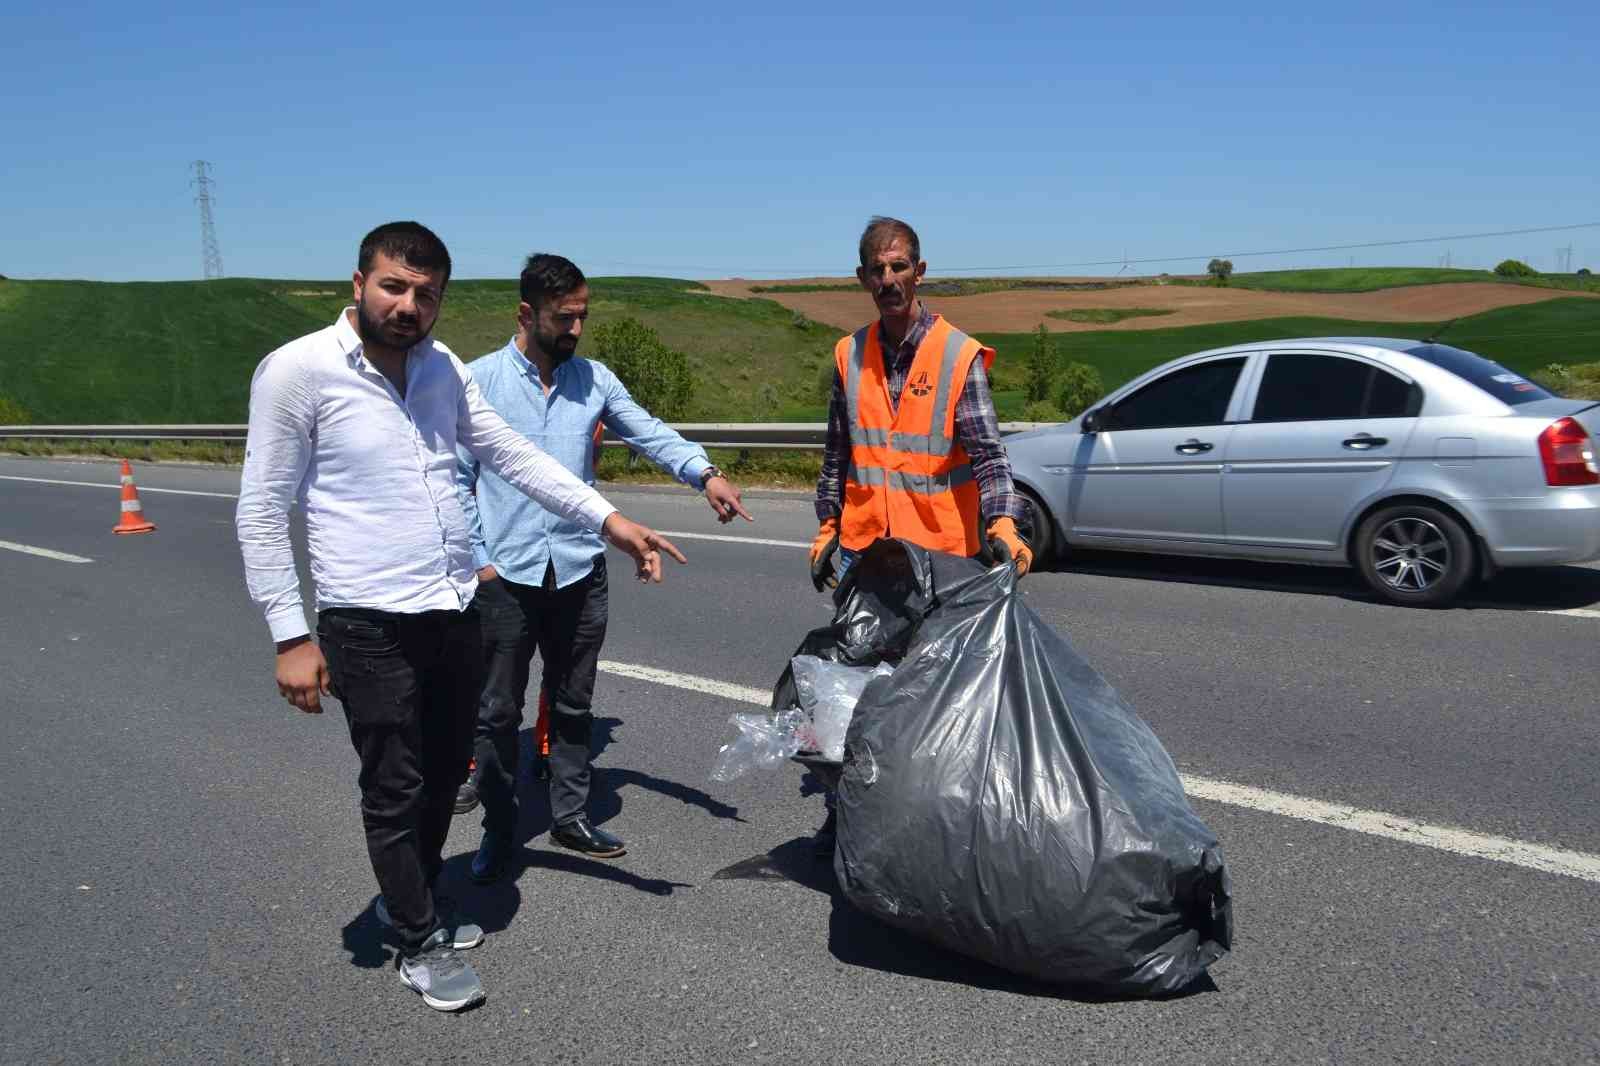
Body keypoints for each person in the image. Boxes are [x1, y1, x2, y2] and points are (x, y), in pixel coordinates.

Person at [235, 223, 685, 1013]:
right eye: (394, 287)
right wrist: (291, 633)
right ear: (359, 283)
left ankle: (411, 900)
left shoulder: (442, 370)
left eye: (426, 294)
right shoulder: (299, 372)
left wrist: (608, 520)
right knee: (396, 782)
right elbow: (264, 509)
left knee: (447, 771)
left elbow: (514, 455)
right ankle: (415, 936)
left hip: (453, 608)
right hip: (365, 616)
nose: (409, 306)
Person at [456, 253, 752, 883]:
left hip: (578, 571)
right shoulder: (477, 382)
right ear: (526, 314)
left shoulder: (593, 380)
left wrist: (705, 473)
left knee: (572, 703)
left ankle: (569, 818)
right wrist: (478, 565)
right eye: (564, 318)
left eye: (582, 317)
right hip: (504, 576)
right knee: (498, 713)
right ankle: (499, 832)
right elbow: (456, 481)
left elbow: (649, 432)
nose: (576, 330)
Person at [807, 216, 1032, 852]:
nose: (889, 279)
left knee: (931, 701)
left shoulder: (958, 355)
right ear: (862, 278)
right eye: (877, 269)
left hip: (937, 565)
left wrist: (1003, 522)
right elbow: (837, 456)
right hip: (864, 560)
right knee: (853, 692)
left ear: (920, 271)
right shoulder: (850, 356)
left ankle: (930, 830)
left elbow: (988, 455)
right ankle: (848, 815)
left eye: (899, 266)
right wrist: (828, 526)